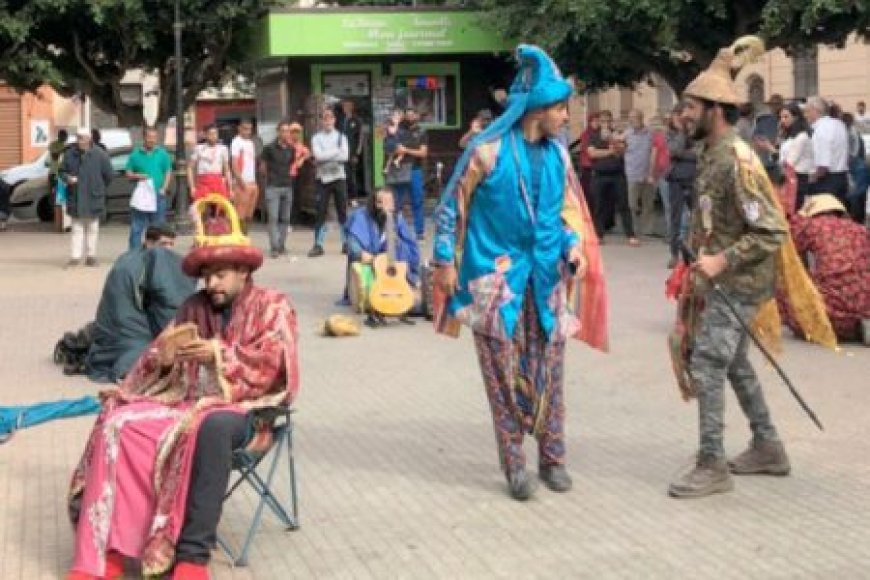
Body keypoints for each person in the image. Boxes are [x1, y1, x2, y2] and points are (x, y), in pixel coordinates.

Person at [66, 197, 299, 579]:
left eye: (221, 274)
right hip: (187, 401)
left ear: (243, 270)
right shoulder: (194, 305)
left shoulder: (274, 306)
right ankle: (107, 549)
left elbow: (274, 365)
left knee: (209, 428)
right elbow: (156, 355)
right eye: (206, 276)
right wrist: (165, 357)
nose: (212, 284)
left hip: (250, 411)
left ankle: (192, 557)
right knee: (119, 422)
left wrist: (217, 356)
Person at [432, 44, 608, 501]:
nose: (566, 116)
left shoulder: (559, 157)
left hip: (547, 280)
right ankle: (514, 464)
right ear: (536, 108)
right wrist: (445, 261)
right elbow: (451, 208)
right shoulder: (486, 153)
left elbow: (564, 214)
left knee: (550, 371)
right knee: (502, 375)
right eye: (560, 107)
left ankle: (554, 459)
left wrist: (574, 249)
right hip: (495, 282)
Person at [668, 36, 835, 499]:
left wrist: (722, 259)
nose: (682, 115)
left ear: (714, 110)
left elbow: (772, 232)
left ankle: (711, 463)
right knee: (735, 363)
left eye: (689, 107)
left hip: (738, 281)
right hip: (720, 280)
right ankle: (767, 446)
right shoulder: (710, 153)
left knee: (707, 363)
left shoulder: (737, 159)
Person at [86, 225, 196, 383]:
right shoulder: (151, 262)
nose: (169, 250)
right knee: (148, 356)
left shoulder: (129, 258)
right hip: (125, 331)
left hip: (112, 328)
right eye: (164, 244)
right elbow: (167, 307)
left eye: (172, 244)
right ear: (149, 243)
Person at [778, 194, 870, 342]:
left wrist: (801, 215)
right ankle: (857, 327)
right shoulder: (860, 229)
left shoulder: (812, 226)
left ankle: (825, 327)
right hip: (864, 304)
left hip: (831, 308)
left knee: (783, 289)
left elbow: (786, 241)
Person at [345, 187, 421, 327]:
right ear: (375, 203)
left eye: (390, 203)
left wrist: (394, 239)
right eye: (382, 203)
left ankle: (406, 287)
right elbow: (352, 244)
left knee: (400, 245)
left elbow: (412, 246)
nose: (387, 207)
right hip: (370, 262)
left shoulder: (397, 218)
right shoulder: (360, 217)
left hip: (394, 268)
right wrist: (365, 256)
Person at [60, 128, 113, 268]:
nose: (79, 141)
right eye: (77, 137)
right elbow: (61, 171)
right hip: (75, 195)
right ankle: (75, 257)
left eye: (82, 138)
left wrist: (98, 187)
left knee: (92, 227)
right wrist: (67, 178)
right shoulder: (69, 154)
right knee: (76, 228)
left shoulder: (100, 154)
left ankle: (91, 256)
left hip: (93, 196)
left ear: (89, 139)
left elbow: (108, 175)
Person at [587, 110, 639, 245]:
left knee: (623, 205)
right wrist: (610, 151)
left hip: (617, 175)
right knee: (598, 206)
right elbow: (592, 153)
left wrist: (612, 139)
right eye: (603, 121)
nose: (606, 123)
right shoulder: (593, 135)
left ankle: (630, 235)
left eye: (608, 121)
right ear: (599, 122)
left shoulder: (618, 134)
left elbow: (621, 151)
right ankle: (599, 234)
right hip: (599, 175)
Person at [755, 102, 815, 212]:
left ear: (796, 117)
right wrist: (773, 147)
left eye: (786, 117)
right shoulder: (789, 135)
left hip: (798, 178)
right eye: (781, 117)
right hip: (788, 177)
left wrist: (771, 149)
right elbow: (782, 157)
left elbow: (789, 162)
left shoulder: (802, 137)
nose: (782, 120)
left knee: (795, 211)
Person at [309, 108, 349, 258]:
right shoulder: (316, 138)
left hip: (339, 178)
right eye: (325, 118)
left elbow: (345, 157)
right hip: (322, 179)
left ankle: (346, 243)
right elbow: (318, 156)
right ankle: (318, 245)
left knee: (342, 212)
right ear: (322, 121)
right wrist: (335, 152)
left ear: (334, 120)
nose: (328, 121)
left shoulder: (342, 137)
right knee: (320, 212)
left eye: (330, 117)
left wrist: (327, 156)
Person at [125, 127, 174, 249]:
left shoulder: (162, 154)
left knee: (158, 226)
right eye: (149, 137)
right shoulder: (135, 155)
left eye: (154, 137)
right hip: (142, 195)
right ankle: (135, 253)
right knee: (137, 225)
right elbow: (128, 173)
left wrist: (164, 187)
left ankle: (158, 251)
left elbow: (168, 171)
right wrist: (138, 175)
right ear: (144, 138)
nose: (151, 140)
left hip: (158, 194)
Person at [664, 104, 697, 268]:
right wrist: (681, 133)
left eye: (680, 116)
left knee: (698, 216)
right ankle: (674, 254)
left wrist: (684, 154)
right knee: (675, 218)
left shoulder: (695, 131)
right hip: (675, 179)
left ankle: (696, 251)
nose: (678, 119)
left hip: (693, 178)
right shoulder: (670, 133)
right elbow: (674, 151)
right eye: (675, 116)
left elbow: (700, 153)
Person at [259, 120, 297, 258]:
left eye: (288, 131)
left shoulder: (291, 149)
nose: (286, 134)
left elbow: (292, 163)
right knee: (273, 217)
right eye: (283, 131)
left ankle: (282, 244)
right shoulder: (269, 148)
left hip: (287, 186)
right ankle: (274, 246)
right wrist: (269, 178)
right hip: (273, 186)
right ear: (278, 132)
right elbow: (262, 167)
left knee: (285, 218)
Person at [803, 96, 850, 202]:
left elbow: (823, 166)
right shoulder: (839, 124)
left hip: (826, 182)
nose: (805, 116)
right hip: (842, 178)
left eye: (807, 111)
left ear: (815, 111)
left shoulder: (821, 129)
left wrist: (808, 180)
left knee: (823, 217)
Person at [392, 107, 429, 241]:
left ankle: (419, 232)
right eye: (407, 115)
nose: (410, 117)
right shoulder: (398, 131)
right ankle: (396, 230)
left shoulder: (422, 132)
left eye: (412, 115)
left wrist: (406, 150)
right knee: (397, 201)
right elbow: (390, 148)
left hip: (415, 169)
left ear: (417, 116)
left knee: (417, 201)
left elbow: (423, 153)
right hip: (400, 169)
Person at [230, 119, 260, 232]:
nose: (248, 132)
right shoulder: (236, 142)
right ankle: (239, 235)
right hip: (242, 182)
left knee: (249, 213)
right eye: (245, 129)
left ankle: (245, 234)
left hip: (252, 181)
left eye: (250, 129)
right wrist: (240, 181)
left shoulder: (251, 143)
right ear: (239, 129)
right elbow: (234, 163)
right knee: (240, 213)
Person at [188, 124, 232, 201]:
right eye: (211, 134)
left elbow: (227, 170)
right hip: (203, 182)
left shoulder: (223, 149)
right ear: (205, 135)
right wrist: (192, 187)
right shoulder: (199, 148)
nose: (213, 136)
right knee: (202, 209)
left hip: (218, 182)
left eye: (215, 133)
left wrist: (230, 188)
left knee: (221, 209)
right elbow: (190, 168)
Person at [843, 112, 868, 223]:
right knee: (859, 197)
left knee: (855, 197)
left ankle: (856, 222)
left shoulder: (850, 133)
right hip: (858, 167)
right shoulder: (853, 132)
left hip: (855, 167)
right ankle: (858, 221)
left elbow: (853, 153)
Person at [340, 99, 366, 199]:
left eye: (346, 106)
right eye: (343, 106)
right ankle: (344, 197)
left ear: (351, 107)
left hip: (352, 152)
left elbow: (360, 136)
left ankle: (353, 197)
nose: (344, 108)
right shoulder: (341, 120)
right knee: (342, 175)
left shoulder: (357, 120)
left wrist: (357, 153)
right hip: (341, 152)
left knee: (351, 176)